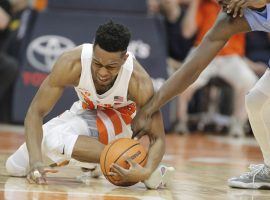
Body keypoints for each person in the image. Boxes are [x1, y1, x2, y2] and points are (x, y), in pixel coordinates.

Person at [5, 21, 174, 189]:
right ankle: (103, 161)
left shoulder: (138, 81)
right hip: (85, 112)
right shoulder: (71, 63)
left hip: (121, 123)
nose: (102, 72)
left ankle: (127, 159)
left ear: (125, 58)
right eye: (97, 63)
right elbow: (35, 113)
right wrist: (35, 162)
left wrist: (144, 172)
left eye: (111, 67)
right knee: (15, 167)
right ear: (92, 49)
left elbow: (158, 138)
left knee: (54, 141)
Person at [132, 0, 270, 189]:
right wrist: (148, 109)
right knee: (256, 102)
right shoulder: (231, 18)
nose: (222, 6)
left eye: (224, 1)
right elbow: (191, 69)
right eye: (218, 2)